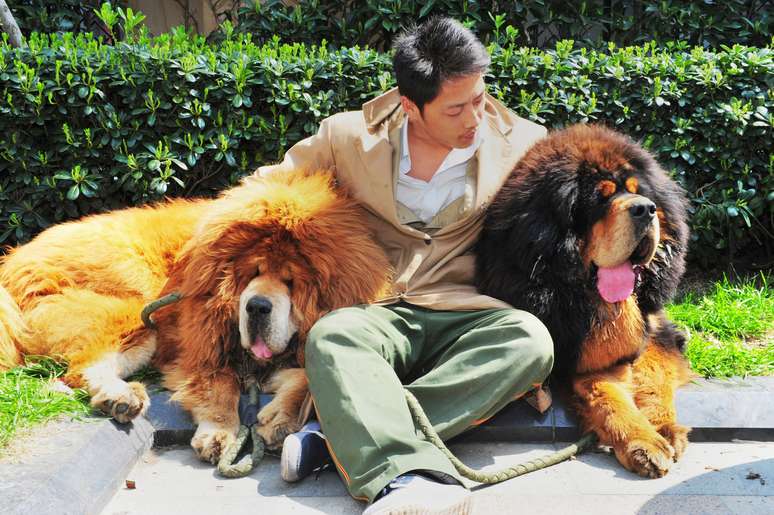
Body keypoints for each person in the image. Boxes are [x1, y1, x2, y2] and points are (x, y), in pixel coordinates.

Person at [257, 16, 553, 515]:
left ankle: (332, 435)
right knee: (331, 337)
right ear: (410, 104)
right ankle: (404, 481)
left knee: (530, 341)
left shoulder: (524, 142)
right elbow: (267, 192)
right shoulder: (347, 137)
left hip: (464, 308)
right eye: (456, 108)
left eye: (480, 99)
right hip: (376, 306)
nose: (474, 118)